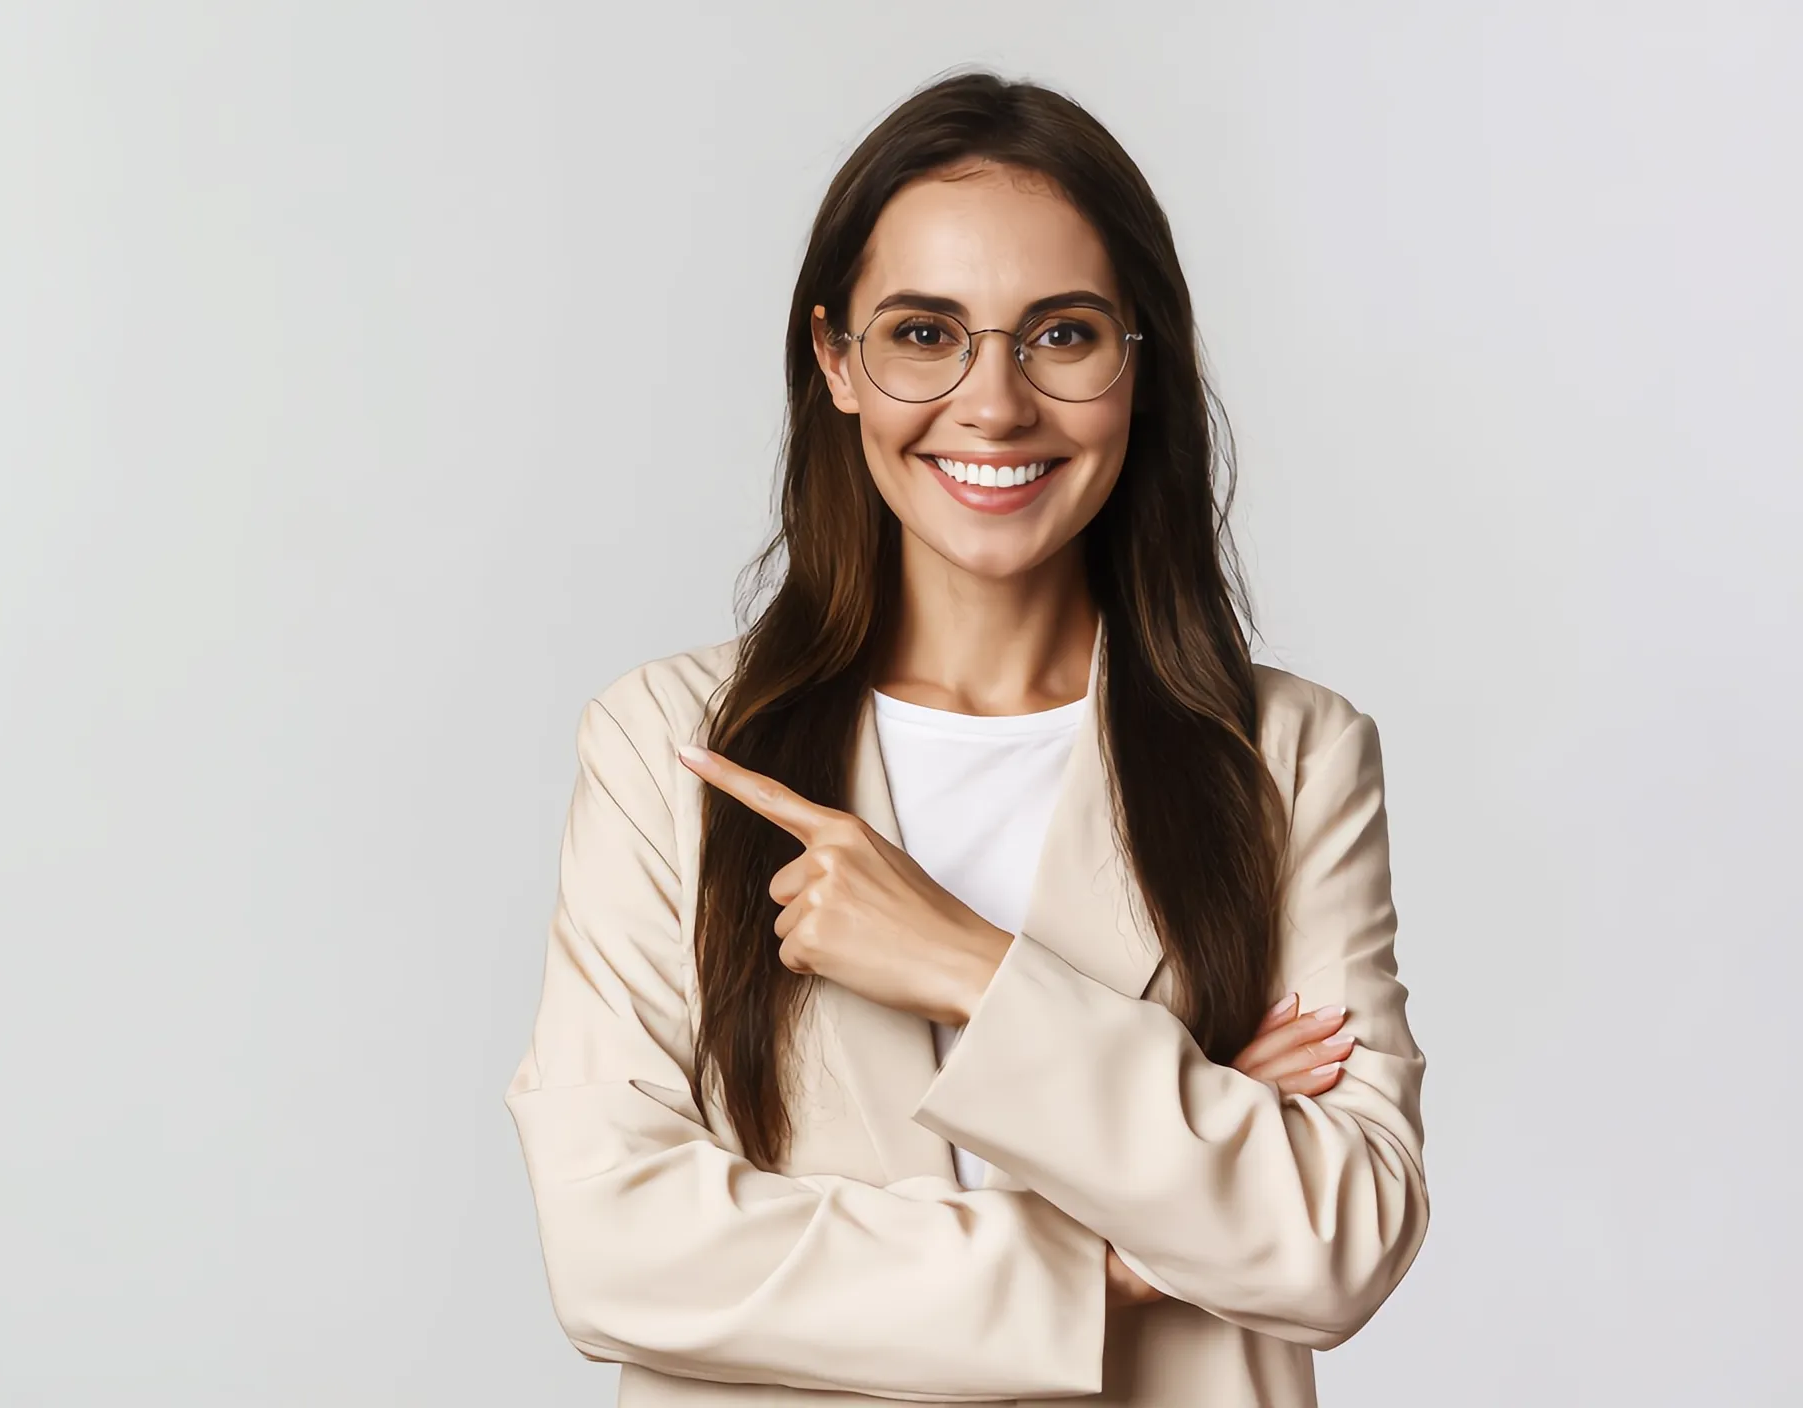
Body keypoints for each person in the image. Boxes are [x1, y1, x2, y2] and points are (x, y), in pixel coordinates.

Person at [503, 70, 1429, 1407]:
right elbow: (615, 1249)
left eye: (1063, 335)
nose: (994, 405)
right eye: (924, 334)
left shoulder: (1289, 755)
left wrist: (971, 967)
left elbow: (1342, 1236)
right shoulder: (671, 749)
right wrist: (1114, 1251)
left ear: (1141, 366)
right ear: (836, 361)